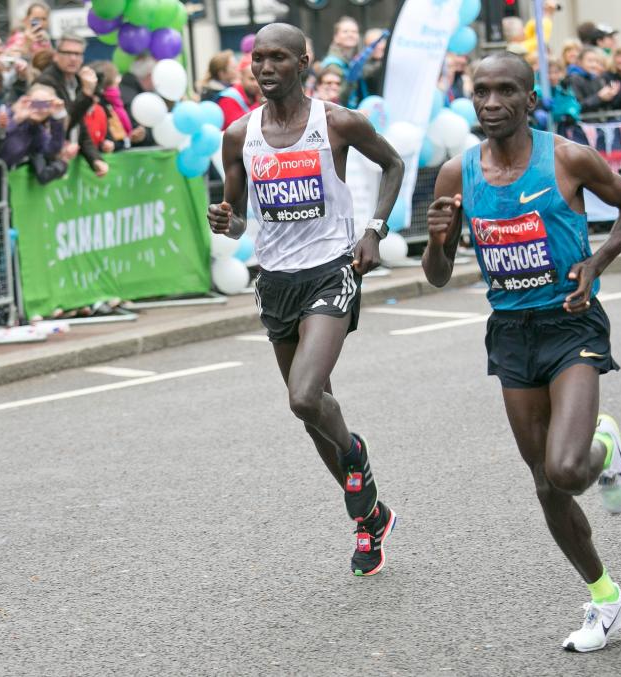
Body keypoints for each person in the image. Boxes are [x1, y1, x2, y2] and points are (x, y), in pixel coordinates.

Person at [422, 50, 621, 653]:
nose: (491, 103)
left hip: (571, 325)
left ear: (528, 98)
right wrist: (440, 237)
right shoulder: (455, 174)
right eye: (481, 92)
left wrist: (595, 263)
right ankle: (606, 600)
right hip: (511, 333)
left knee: (567, 468)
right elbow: (438, 275)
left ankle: (606, 445)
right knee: (547, 486)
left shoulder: (567, 158)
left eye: (504, 92)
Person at [207, 23, 405, 577]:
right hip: (274, 282)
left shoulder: (337, 123)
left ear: (303, 62)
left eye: (277, 58)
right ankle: (372, 520)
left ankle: (356, 459)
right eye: (257, 59)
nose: (265, 68)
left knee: (304, 395)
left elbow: (393, 165)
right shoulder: (238, 135)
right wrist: (226, 220)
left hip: (330, 272)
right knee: (315, 414)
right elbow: (238, 218)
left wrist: (375, 229)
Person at [35, 34, 108, 177]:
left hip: (66, 163)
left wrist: (95, 159)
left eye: (78, 54)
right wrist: (86, 94)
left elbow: (79, 126)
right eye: (67, 53)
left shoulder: (76, 81)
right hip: (48, 163)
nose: (73, 58)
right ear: (56, 55)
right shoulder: (45, 82)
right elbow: (63, 122)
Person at [0, 83, 77, 183]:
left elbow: (51, 150)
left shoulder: (35, 128)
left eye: (46, 105)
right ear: (25, 100)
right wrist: (16, 121)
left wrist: (57, 119)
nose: (40, 109)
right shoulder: (4, 113)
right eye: (36, 103)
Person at [566, 47, 618, 114]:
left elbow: (606, 106)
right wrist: (599, 97)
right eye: (590, 61)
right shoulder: (573, 79)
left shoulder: (597, 79)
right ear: (580, 62)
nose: (594, 64)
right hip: (584, 121)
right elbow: (578, 106)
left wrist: (610, 95)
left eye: (596, 61)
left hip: (600, 120)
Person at [218, 55, 262, 130]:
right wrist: (259, 104)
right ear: (241, 77)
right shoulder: (228, 99)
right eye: (251, 79)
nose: (256, 84)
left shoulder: (256, 95)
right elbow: (238, 128)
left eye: (259, 80)